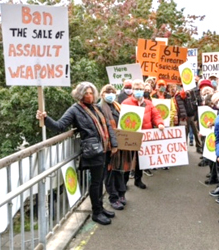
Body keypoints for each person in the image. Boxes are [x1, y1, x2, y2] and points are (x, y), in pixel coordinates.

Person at [36, 82, 118, 226]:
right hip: (93, 151)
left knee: (100, 181)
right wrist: (45, 118)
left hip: (104, 148)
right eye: (86, 93)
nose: (90, 95)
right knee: (96, 183)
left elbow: (108, 126)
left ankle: (100, 207)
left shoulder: (96, 107)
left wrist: (114, 143)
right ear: (80, 95)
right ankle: (96, 212)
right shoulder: (75, 110)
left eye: (91, 92)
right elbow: (59, 126)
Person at [122, 79, 164, 189]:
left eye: (141, 89)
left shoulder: (148, 103)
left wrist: (159, 123)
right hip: (130, 135)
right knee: (128, 159)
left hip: (144, 135)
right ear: (132, 90)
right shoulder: (126, 103)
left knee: (141, 160)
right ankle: (124, 182)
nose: (139, 91)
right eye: (136, 89)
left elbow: (156, 115)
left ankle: (138, 180)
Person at [98, 84, 132, 210]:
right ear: (102, 94)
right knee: (110, 172)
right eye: (108, 92)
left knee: (119, 170)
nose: (111, 94)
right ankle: (113, 197)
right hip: (108, 145)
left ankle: (121, 194)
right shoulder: (100, 108)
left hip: (120, 142)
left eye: (112, 91)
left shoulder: (116, 105)